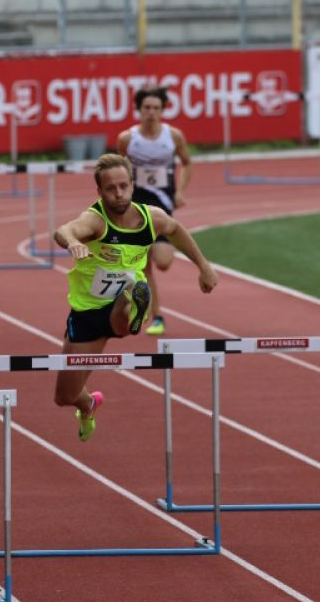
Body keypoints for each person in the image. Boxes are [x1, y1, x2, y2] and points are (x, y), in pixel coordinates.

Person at [53, 154, 217, 441]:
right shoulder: (95, 221)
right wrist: (74, 242)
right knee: (64, 395)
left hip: (124, 298)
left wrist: (204, 266)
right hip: (87, 310)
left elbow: (176, 231)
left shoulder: (150, 218)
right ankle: (88, 404)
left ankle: (131, 303)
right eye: (110, 189)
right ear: (100, 192)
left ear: (132, 185)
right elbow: (64, 230)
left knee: (122, 313)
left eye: (124, 186)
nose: (118, 194)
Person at [116, 85, 194, 336]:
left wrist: (180, 191)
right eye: (147, 108)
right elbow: (120, 170)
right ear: (139, 110)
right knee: (144, 265)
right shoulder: (128, 139)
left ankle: (140, 306)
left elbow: (188, 162)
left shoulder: (173, 136)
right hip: (135, 208)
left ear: (162, 110)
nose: (151, 112)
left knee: (163, 262)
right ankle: (156, 316)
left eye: (156, 108)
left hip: (162, 208)